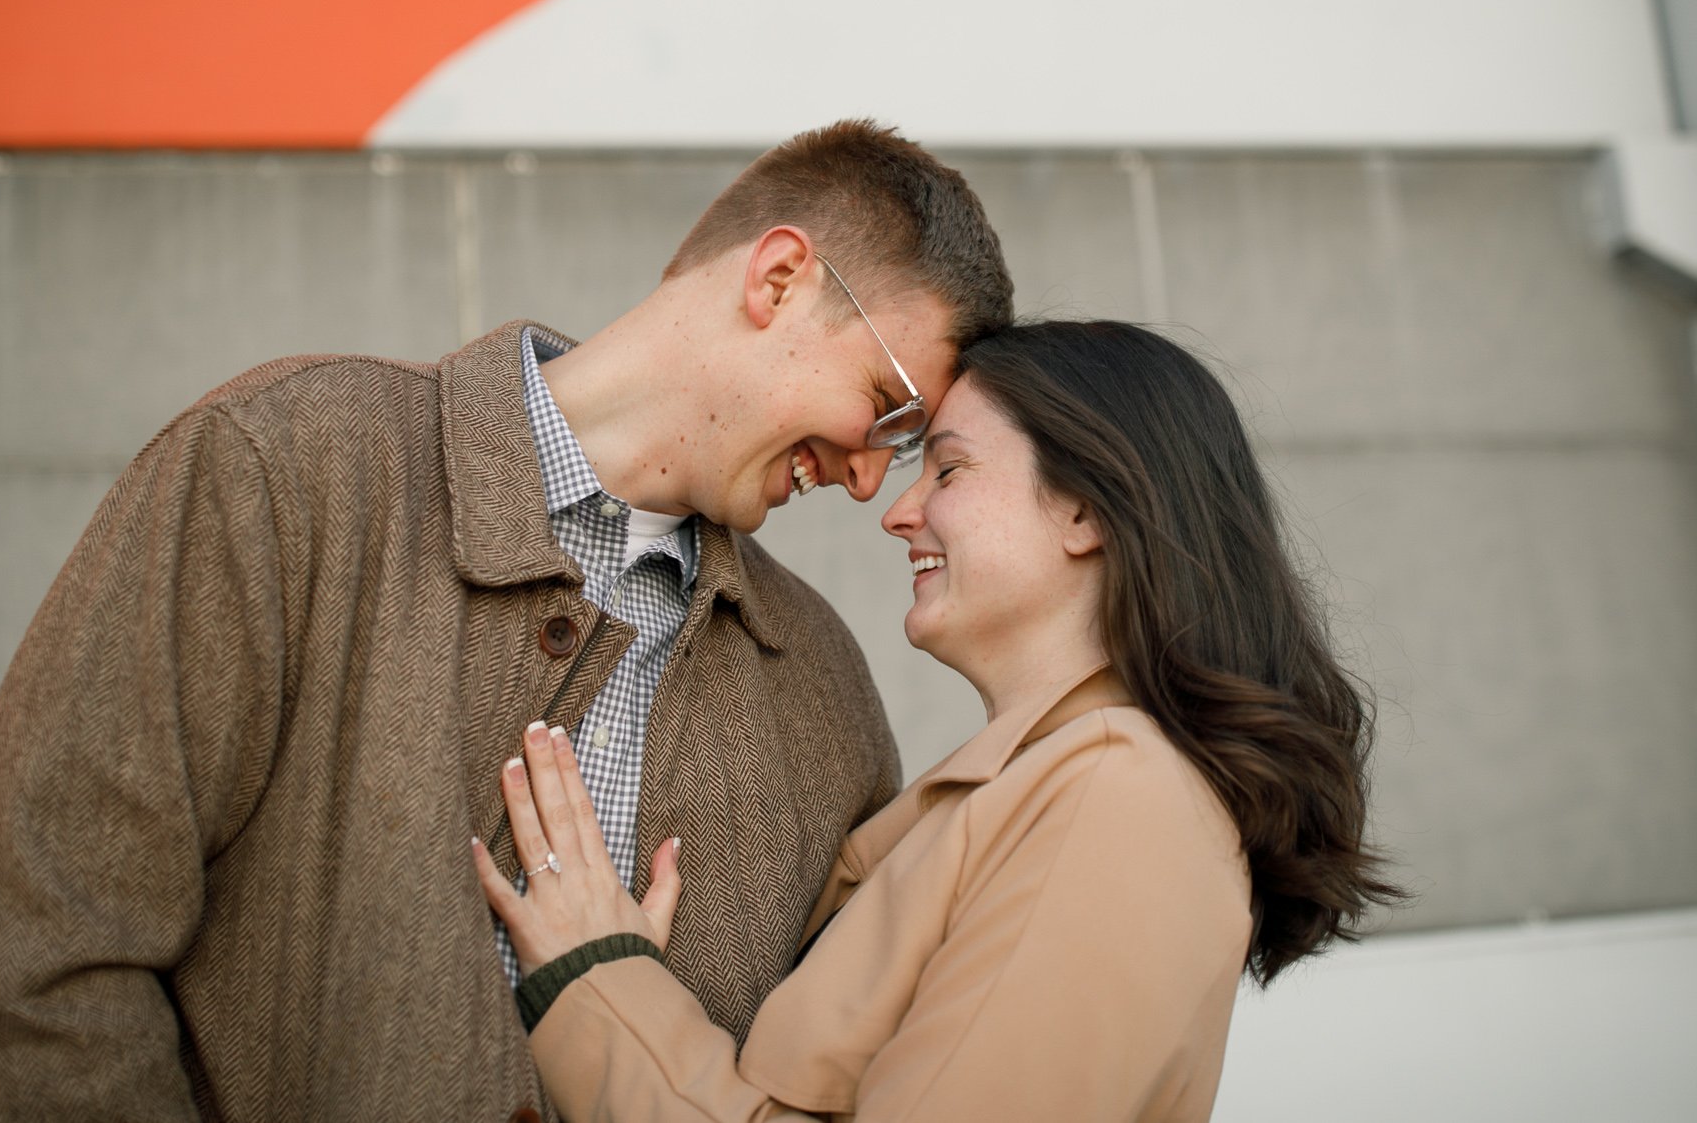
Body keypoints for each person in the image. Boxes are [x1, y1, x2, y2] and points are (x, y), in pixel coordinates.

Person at [0, 121, 1014, 1121]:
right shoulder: (281, 472)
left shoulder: (824, 685)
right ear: (778, 279)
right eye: (886, 407)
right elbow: (38, 970)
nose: (870, 481)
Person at [478, 319, 1404, 1121]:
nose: (899, 509)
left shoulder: (1115, 800)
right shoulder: (1029, 792)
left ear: (1086, 506)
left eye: (950, 468)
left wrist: (597, 977)